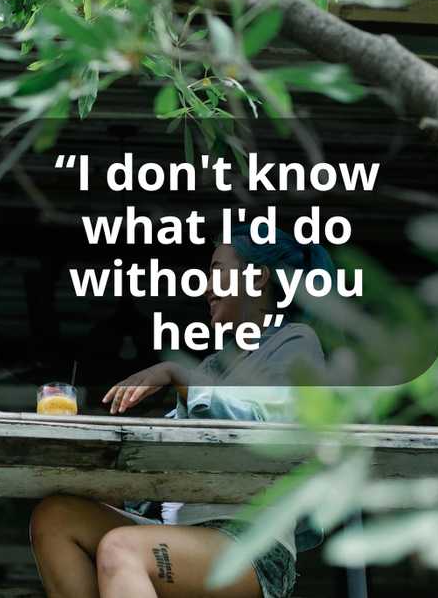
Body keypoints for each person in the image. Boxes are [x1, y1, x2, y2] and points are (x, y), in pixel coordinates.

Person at [30, 227, 332, 598]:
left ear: (258, 277)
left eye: (217, 269)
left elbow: (269, 428)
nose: (206, 287)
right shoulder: (211, 368)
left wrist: (178, 373)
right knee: (56, 517)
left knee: (122, 548)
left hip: (252, 544)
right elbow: (163, 468)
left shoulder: (295, 341)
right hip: (180, 532)